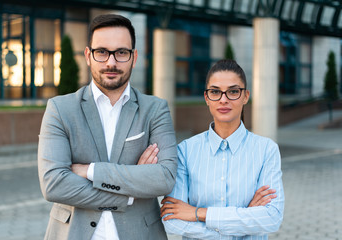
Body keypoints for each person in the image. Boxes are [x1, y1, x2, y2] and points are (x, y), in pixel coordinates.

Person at [38, 14, 177, 240]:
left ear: (134, 57)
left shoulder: (155, 109)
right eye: (101, 52)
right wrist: (129, 193)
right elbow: (54, 184)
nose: (111, 62)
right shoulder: (60, 109)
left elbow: (165, 178)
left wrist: (90, 171)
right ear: (88, 55)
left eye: (121, 52)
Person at [161, 59, 284, 239]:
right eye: (215, 92)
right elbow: (172, 219)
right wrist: (245, 218)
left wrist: (199, 213)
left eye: (233, 91)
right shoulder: (185, 151)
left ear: (245, 96)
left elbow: (272, 218)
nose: (223, 99)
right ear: (206, 98)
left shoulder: (266, 150)